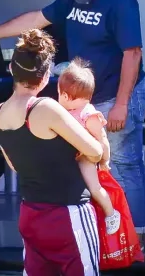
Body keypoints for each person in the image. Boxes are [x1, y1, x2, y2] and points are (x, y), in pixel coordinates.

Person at [0, 0, 145, 243]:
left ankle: (135, 238)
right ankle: (106, 237)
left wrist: (121, 104)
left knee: (123, 164)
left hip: (117, 93)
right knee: (91, 166)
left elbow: (132, 54)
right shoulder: (70, 0)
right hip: (85, 97)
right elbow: (35, 19)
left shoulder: (120, 1)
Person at [0, 29, 103, 275]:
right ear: (44, 78)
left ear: (11, 69)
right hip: (67, 215)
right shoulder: (46, 108)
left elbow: (14, 165)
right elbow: (95, 152)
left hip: (30, 215)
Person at [58, 57, 121, 235]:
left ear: (64, 95)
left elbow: (102, 140)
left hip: (85, 157)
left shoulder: (89, 114)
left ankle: (111, 213)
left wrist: (104, 162)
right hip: (69, 156)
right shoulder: (64, 111)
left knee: (94, 187)